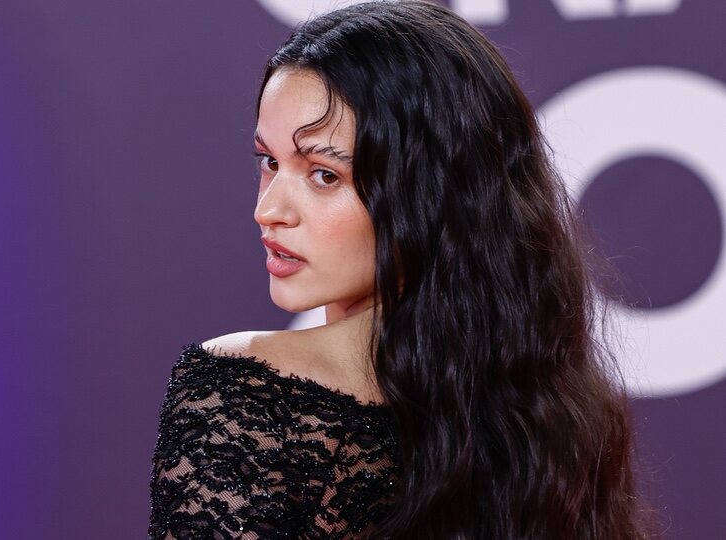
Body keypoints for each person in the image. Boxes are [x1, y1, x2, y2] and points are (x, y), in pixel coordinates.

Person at [148, 1, 657, 538]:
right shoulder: (555, 420)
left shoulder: (245, 389)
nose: (269, 209)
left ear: (431, 192)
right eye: (269, 162)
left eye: (324, 175)